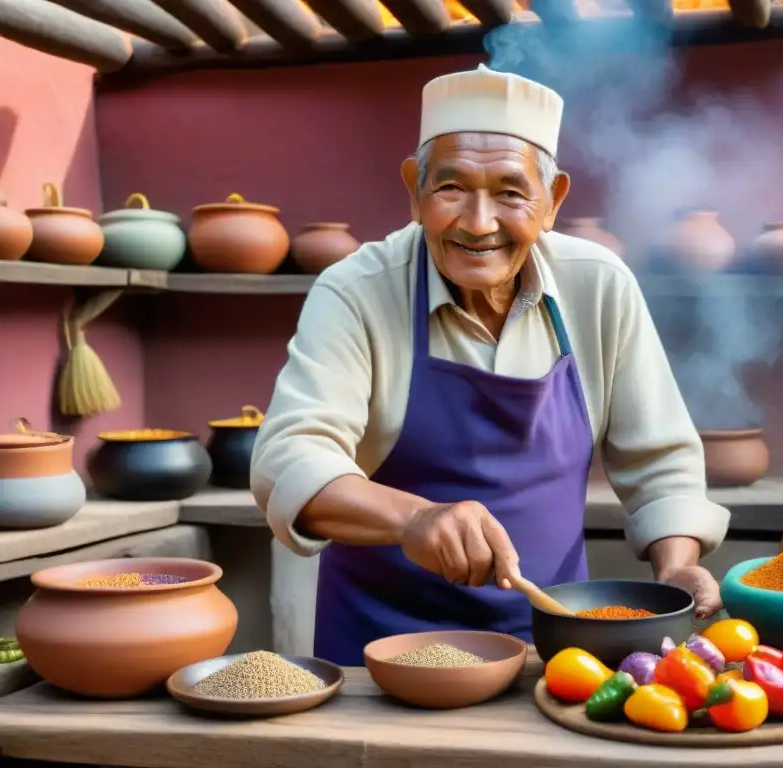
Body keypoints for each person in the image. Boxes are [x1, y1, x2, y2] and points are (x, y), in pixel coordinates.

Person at [250, 64, 731, 666]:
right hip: (382, 652)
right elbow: (287, 460)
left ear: (552, 200)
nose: (478, 225)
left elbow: (660, 461)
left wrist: (678, 565)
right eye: (450, 188)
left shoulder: (599, 286)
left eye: (510, 192)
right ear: (414, 190)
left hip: (555, 647)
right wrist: (414, 517)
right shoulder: (357, 290)